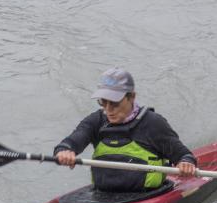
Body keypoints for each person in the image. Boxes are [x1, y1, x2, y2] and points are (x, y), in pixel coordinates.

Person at [54, 68, 197, 192]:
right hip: (102, 195)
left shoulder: (153, 123)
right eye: (103, 102)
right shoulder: (96, 120)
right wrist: (65, 151)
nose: (108, 110)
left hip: (148, 194)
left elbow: (183, 155)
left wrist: (185, 163)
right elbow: (72, 141)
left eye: (115, 103)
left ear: (132, 97)